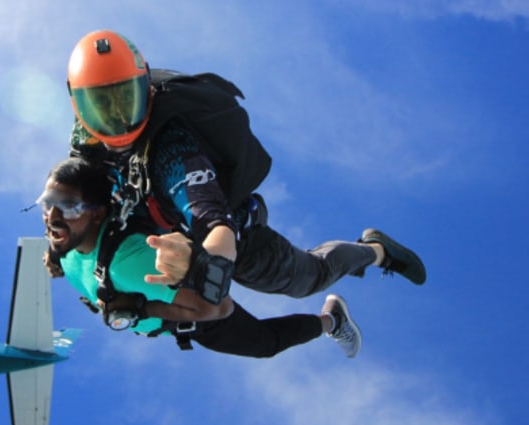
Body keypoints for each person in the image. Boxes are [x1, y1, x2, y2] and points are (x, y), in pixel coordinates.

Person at [65, 29, 426, 305]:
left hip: (235, 231)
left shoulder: (172, 147)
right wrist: (57, 248)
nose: (119, 122)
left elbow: (207, 211)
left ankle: (377, 251)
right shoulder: (85, 143)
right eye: (101, 108)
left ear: (149, 89)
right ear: (79, 108)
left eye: (127, 100)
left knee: (309, 278)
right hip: (157, 219)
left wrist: (211, 260)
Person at [40, 156, 362, 358]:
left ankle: (333, 319)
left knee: (266, 343)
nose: (52, 216)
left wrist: (139, 309)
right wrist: (56, 256)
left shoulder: (128, 264)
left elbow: (218, 307)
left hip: (193, 314)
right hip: (183, 278)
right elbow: (70, 247)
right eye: (47, 202)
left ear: (98, 215)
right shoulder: (66, 248)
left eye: (67, 207)